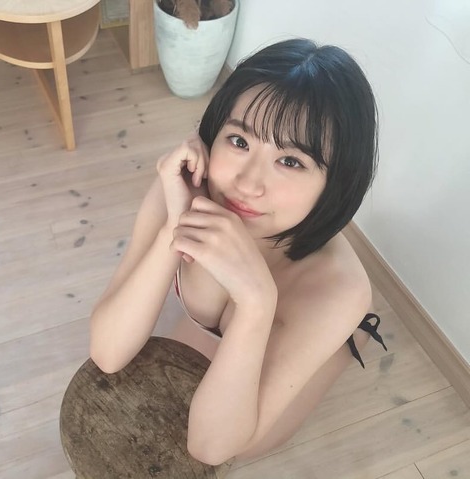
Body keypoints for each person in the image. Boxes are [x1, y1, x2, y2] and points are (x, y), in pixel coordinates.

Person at [89, 38, 386, 465]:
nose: (247, 184)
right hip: (225, 343)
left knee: (246, 444)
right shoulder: (185, 188)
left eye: (291, 161)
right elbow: (108, 353)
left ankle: (346, 339)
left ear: (337, 183)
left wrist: (257, 303)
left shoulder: (338, 288)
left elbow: (212, 448)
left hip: (309, 334)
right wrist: (174, 227)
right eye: (240, 141)